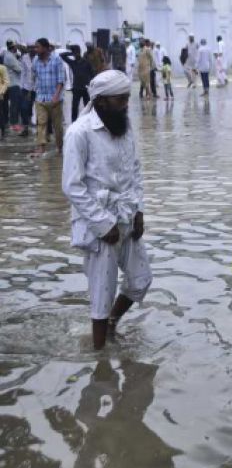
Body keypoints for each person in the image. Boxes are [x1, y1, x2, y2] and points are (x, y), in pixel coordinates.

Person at [62, 70, 152, 350]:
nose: (126, 104)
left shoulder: (124, 127)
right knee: (102, 292)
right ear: (101, 101)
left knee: (141, 280)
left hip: (126, 214)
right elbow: (72, 186)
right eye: (120, 99)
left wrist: (139, 211)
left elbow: (134, 170)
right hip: (98, 222)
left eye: (127, 98)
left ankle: (113, 323)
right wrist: (103, 224)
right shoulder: (79, 133)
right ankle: (99, 360)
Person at [32, 37, 66, 156]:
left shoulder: (57, 60)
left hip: (55, 99)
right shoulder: (35, 60)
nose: (35, 49)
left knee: (57, 126)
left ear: (46, 48)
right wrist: (34, 90)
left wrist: (56, 96)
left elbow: (61, 80)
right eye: (35, 47)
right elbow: (34, 76)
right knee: (41, 123)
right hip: (40, 98)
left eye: (38, 47)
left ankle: (60, 147)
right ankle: (41, 147)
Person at [60, 45, 95, 122]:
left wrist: (91, 85)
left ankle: (88, 121)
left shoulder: (87, 62)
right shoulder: (73, 62)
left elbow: (92, 74)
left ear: (79, 52)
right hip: (76, 88)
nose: (75, 55)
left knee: (87, 107)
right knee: (74, 107)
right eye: (74, 53)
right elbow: (62, 55)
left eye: (76, 52)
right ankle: (74, 122)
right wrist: (71, 53)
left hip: (86, 88)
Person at [3, 40, 23, 132]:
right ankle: (13, 124)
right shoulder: (9, 57)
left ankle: (7, 123)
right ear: (13, 47)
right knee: (14, 105)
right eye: (16, 46)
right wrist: (20, 64)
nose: (17, 48)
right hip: (13, 83)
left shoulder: (9, 55)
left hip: (10, 83)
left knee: (7, 105)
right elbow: (19, 69)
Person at [18, 43, 35, 137]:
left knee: (33, 106)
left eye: (33, 48)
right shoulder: (24, 58)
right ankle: (25, 127)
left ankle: (43, 129)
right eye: (30, 48)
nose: (32, 50)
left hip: (36, 88)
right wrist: (21, 87)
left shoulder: (38, 58)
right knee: (24, 107)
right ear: (28, 49)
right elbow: (22, 73)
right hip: (25, 87)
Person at [0, 58, 8, 140]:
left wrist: (1, 92)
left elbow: (6, 81)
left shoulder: (2, 68)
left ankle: (2, 131)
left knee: (0, 113)